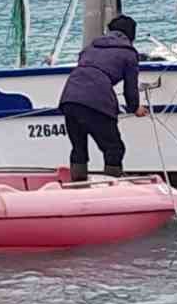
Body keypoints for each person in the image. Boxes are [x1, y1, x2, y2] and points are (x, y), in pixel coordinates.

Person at [58, 15, 146, 181]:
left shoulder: (90, 48)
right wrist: (135, 108)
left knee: (79, 148)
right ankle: (112, 189)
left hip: (69, 97)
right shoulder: (129, 54)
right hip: (96, 100)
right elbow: (130, 88)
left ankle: (78, 186)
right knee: (114, 149)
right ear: (131, 35)